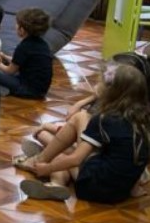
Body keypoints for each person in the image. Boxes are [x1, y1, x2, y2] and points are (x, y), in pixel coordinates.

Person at [19, 65, 150, 203]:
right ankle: (56, 182)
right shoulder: (143, 122)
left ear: (110, 92)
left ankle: (39, 162)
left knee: (79, 121)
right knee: (68, 147)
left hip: (91, 188)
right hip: (120, 193)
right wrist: (134, 189)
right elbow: (140, 159)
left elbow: (76, 159)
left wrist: (47, 169)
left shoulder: (103, 120)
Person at [0, 7, 53, 99]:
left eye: (17, 24)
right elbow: (18, 61)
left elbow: (10, 70)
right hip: (40, 89)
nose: (15, 26)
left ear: (22, 30)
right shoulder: (43, 44)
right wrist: (4, 56)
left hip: (27, 89)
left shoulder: (23, 47)